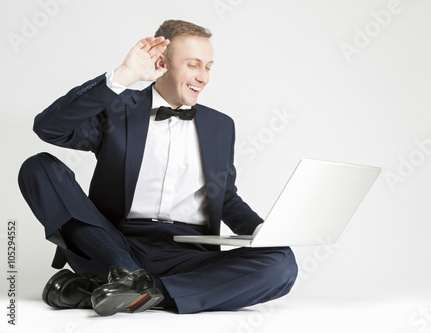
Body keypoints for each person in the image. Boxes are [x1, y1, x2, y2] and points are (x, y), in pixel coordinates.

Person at [18, 20, 298, 316]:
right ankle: (125, 275)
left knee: (282, 264)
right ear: (161, 63)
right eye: (193, 65)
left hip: (188, 255)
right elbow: (49, 127)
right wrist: (122, 77)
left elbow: (225, 198)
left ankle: (139, 291)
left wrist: (264, 231)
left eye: (208, 67)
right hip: (113, 244)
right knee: (38, 167)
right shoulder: (119, 108)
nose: (202, 77)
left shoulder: (221, 126)